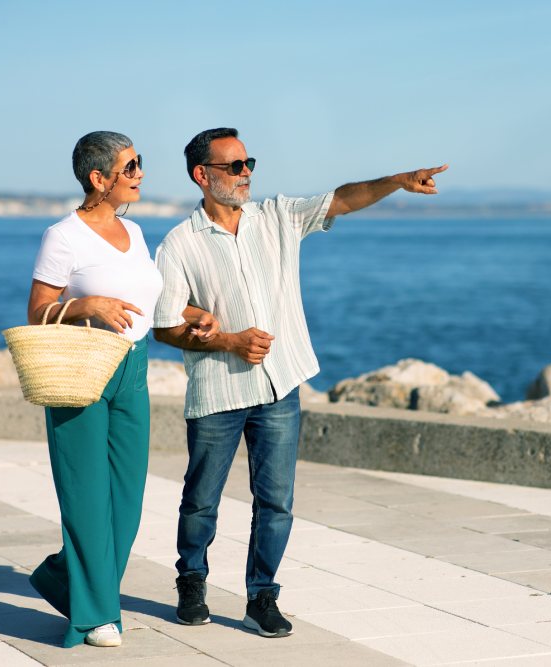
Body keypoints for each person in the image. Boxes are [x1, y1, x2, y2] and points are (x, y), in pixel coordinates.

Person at [153, 127, 446, 637]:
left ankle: (261, 596)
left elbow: (342, 199)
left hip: (279, 388)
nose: (247, 174)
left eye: (249, 163)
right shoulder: (179, 243)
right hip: (219, 392)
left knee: (277, 502)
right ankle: (192, 581)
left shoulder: (278, 218)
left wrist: (397, 181)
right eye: (234, 166)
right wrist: (228, 341)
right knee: (202, 499)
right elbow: (163, 327)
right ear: (203, 176)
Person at [26, 131, 216, 648]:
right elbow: (37, 312)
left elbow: (147, 305)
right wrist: (86, 306)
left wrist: (194, 316)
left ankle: (62, 577)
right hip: (82, 372)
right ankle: (93, 617)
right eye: (130, 167)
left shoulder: (134, 233)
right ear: (99, 178)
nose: (139, 175)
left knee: (127, 502)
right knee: (87, 498)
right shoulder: (62, 236)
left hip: (133, 370)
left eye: (138, 165)